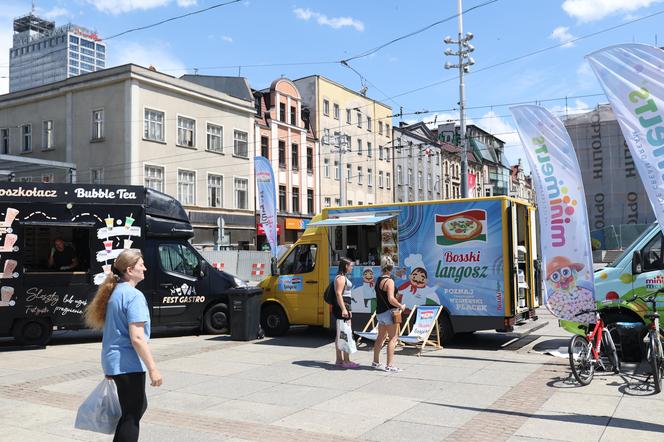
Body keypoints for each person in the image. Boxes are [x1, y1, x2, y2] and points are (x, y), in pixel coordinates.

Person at [84, 249, 162, 442]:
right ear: (129, 269)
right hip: (128, 363)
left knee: (135, 409)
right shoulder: (134, 296)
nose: (145, 267)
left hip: (116, 361)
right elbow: (137, 338)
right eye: (141, 264)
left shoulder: (116, 292)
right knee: (131, 415)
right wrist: (153, 369)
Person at [373, 256, 406, 372]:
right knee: (393, 338)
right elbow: (391, 299)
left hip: (380, 313)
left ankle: (375, 362)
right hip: (389, 313)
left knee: (380, 337)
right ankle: (390, 365)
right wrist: (400, 306)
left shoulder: (378, 280)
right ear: (391, 268)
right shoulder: (390, 281)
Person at [333, 257, 359, 368]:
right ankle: (346, 361)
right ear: (345, 266)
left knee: (340, 334)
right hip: (342, 308)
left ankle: (339, 360)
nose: (352, 267)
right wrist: (344, 309)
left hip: (344, 307)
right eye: (351, 266)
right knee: (345, 334)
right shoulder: (341, 278)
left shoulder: (342, 277)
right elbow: (339, 294)